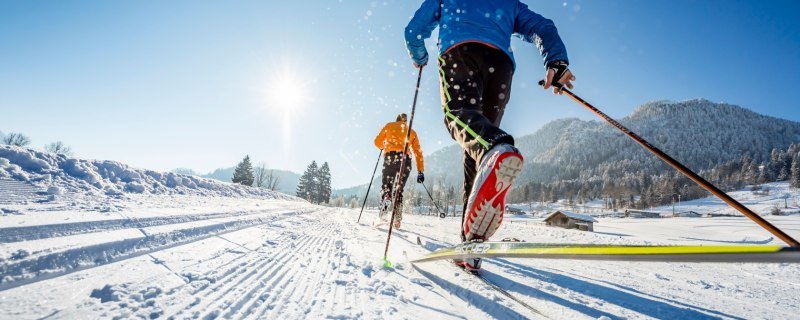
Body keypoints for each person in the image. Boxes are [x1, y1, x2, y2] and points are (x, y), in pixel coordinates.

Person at [404, 0, 575, 271]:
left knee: (459, 118)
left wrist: (419, 56)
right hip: (500, 66)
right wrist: (556, 60)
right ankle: (471, 243)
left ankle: (496, 147)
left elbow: (413, 31)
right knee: (480, 150)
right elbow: (542, 27)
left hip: (459, 53)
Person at [373, 113, 425, 229]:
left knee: (387, 186)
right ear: (405, 121)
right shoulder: (411, 131)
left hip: (390, 158)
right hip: (405, 161)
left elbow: (377, 142)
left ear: (396, 120)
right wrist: (420, 171)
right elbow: (418, 152)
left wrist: (383, 145)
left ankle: (386, 202)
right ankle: (397, 219)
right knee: (399, 189)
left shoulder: (389, 126)